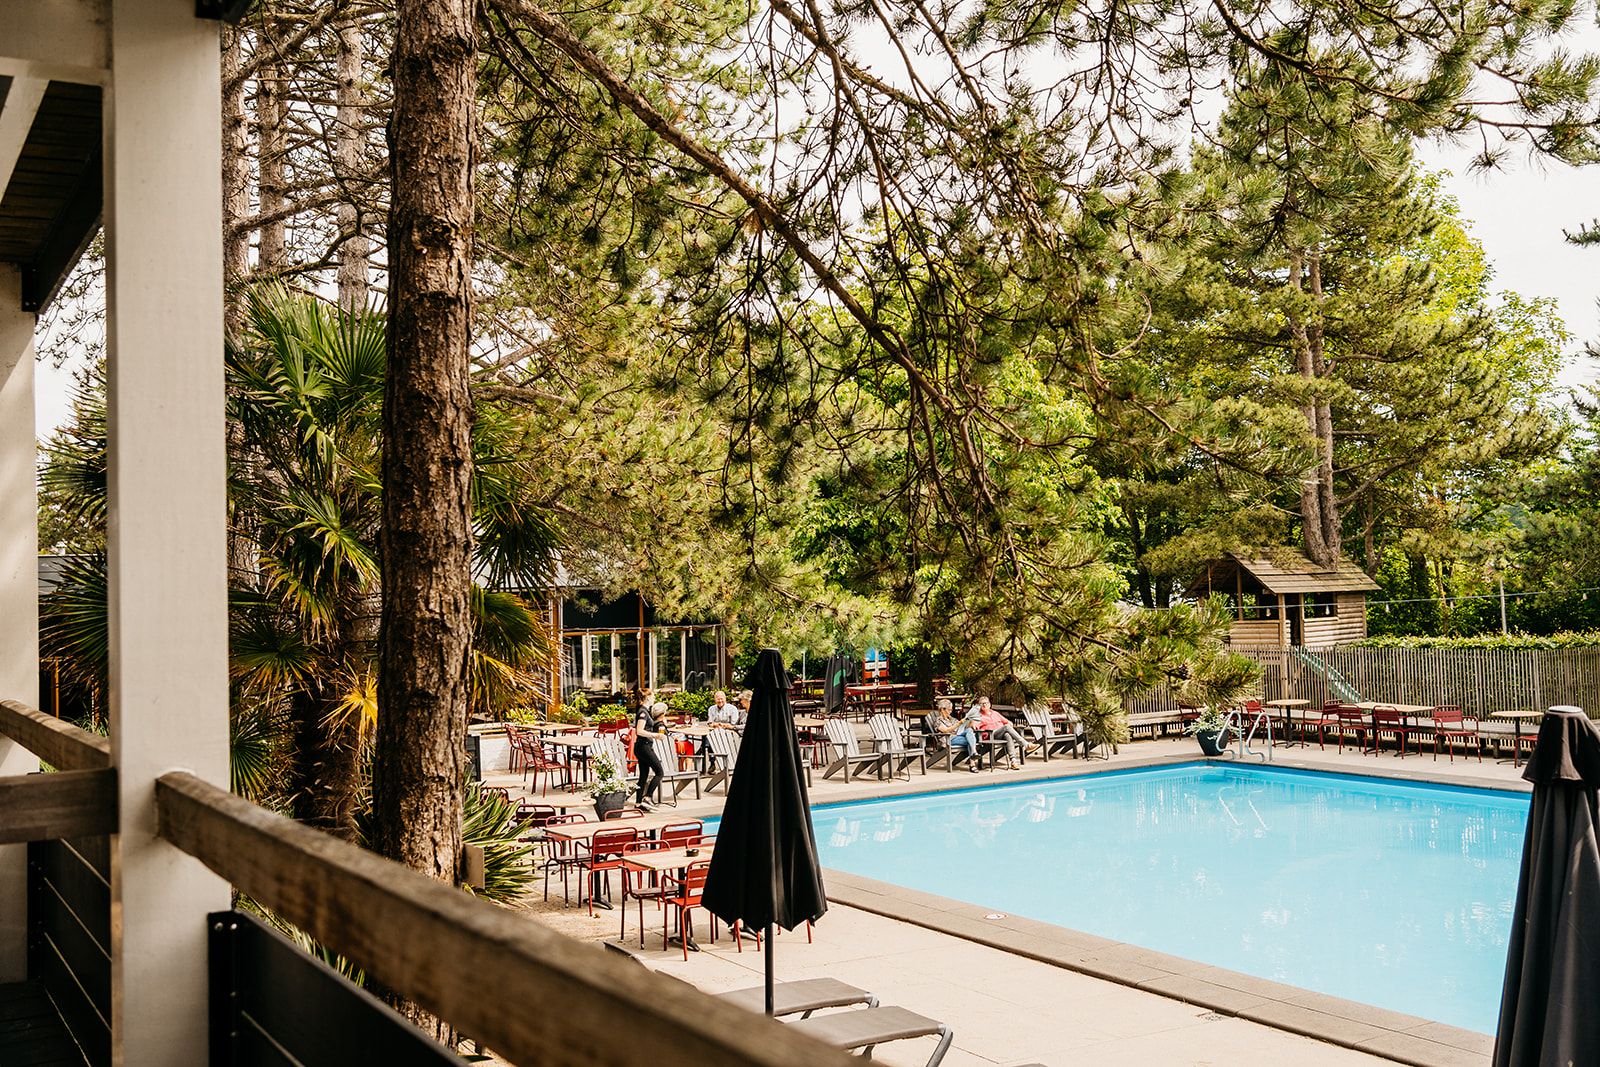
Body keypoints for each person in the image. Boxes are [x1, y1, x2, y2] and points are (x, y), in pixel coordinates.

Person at [972, 696, 1031, 770]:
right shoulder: (979, 716)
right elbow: (974, 726)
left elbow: (1008, 722)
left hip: (1000, 734)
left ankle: (1013, 761)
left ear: (989, 704)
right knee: (1006, 727)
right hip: (989, 736)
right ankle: (1025, 744)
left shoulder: (995, 713)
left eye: (986, 703)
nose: (984, 705)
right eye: (982, 703)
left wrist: (1009, 725)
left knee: (1007, 735)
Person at [632, 699, 667, 810]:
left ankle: (638, 803)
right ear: (647, 698)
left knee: (643, 776)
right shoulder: (643, 712)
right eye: (652, 696)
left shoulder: (644, 711)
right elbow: (639, 731)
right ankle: (648, 797)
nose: (653, 698)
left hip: (641, 746)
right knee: (659, 772)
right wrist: (655, 735)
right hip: (644, 746)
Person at [928, 698, 979, 772]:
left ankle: (973, 755)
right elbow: (945, 730)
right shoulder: (938, 720)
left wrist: (970, 722)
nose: (951, 711)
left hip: (958, 736)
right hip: (949, 739)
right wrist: (959, 724)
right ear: (942, 709)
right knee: (971, 741)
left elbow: (963, 727)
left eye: (951, 709)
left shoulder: (952, 719)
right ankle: (973, 763)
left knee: (969, 731)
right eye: (949, 709)